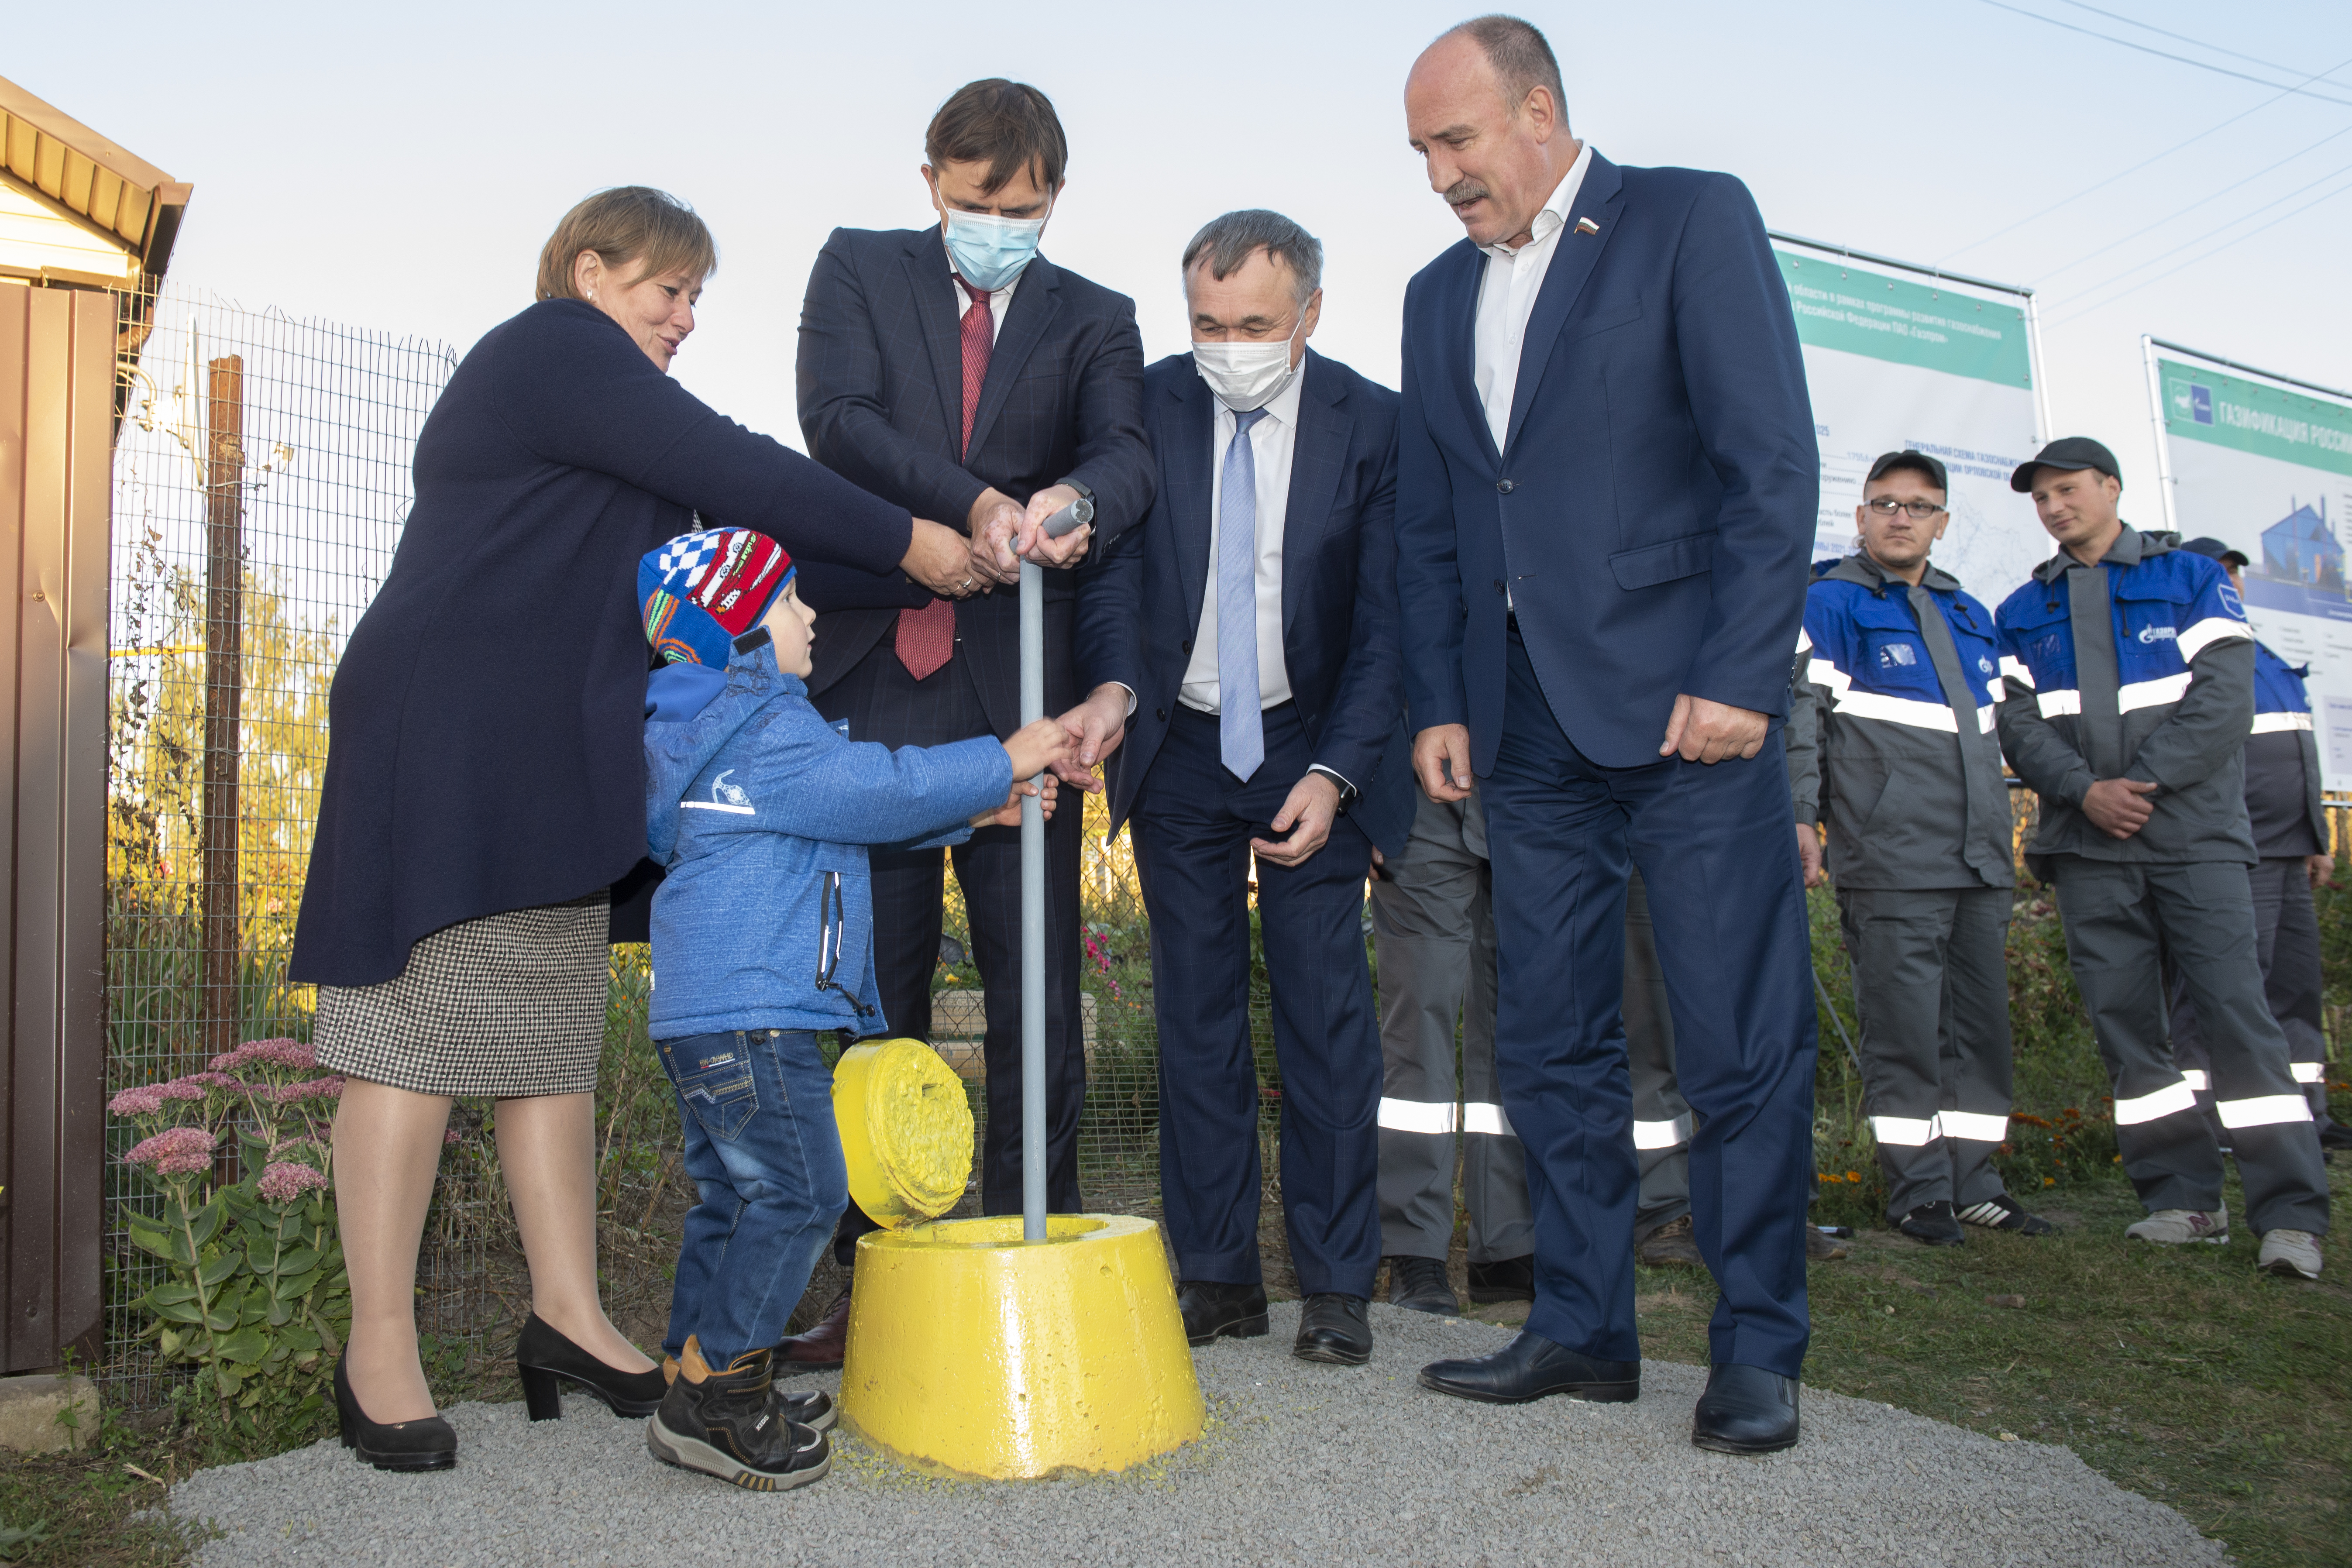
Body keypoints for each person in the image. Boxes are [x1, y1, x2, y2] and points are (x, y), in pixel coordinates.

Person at [288, 187, 966, 1471]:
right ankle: (377, 1350)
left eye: (698, 297)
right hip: (449, 731)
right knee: (411, 1036)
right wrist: (918, 538)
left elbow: (760, 549)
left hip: (549, 756)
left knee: (547, 1042)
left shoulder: (617, 453)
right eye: (671, 289)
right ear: (591, 271)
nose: (686, 317)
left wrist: (942, 563)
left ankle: (568, 1318)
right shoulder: (553, 351)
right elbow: (735, 462)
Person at [1395, 17, 1821, 1455]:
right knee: (1550, 1042)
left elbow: (1767, 459)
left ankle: (1755, 1346)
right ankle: (1579, 1326)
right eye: (1422, 154)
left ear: (1535, 111)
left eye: (1455, 142)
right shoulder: (1429, 294)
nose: (1440, 176)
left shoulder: (1686, 218)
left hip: (1686, 715)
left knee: (1730, 1039)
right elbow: (1443, 520)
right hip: (1521, 731)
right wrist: (1444, 702)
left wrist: (1739, 670)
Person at [784, 79, 1154, 1365]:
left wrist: (1069, 504)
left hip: (1021, 704)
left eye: (1019, 204)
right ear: (930, 181)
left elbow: (1128, 458)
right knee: (866, 1003)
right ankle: (869, 1284)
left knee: (1033, 996)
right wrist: (972, 505)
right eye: (969, 199)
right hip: (876, 693)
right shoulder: (854, 271)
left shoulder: (1096, 318)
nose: (992, 221)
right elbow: (835, 422)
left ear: (1054, 193)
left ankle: (1021, 1257)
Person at [635, 526, 1066, 1489]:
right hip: (758, 1016)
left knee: (736, 1194)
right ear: (740, 630)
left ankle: (690, 1366)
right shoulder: (765, 728)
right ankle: (723, 1392)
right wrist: (1002, 759)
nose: (813, 613)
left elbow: (844, 811)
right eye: (791, 602)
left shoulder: (717, 736)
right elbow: (875, 786)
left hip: (706, 1016)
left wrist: (974, 813)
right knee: (803, 1192)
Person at [1059, 210, 1409, 1365]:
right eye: (1207, 324)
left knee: (1325, 1021)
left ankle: (1335, 1284)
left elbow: (1385, 627)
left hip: (1310, 749)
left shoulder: (1374, 426)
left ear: (1309, 313)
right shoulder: (1150, 408)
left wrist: (1337, 773)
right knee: (1195, 1023)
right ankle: (1214, 1276)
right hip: (1182, 754)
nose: (1228, 346)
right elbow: (1110, 581)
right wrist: (1113, 687)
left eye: (1254, 325)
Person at [1993, 437, 2329, 1282]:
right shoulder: (2018, 609)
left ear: (2109, 487)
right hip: (2085, 847)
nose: (2054, 506)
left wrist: (2135, 784)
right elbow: (2017, 725)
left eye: (2067, 490)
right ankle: (2179, 1199)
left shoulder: (2188, 579)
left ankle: (2288, 1216)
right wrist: (2083, 790)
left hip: (2191, 841)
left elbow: (2224, 699)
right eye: (2040, 498)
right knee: (2130, 1034)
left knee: (2236, 1020)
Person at [1793, 450, 2052, 1247]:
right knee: (1904, 1030)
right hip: (1890, 857)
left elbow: (2018, 728)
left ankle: (1975, 1181)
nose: (1899, 517)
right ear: (1861, 516)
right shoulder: (1829, 603)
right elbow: (1799, 721)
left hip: (1977, 855)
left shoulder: (1971, 613)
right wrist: (1799, 818)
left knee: (1978, 1030)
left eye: (1917, 506)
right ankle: (1917, 1192)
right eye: (1884, 503)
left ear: (1941, 523)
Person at [2166, 538, 2347, 1154]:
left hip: (2290, 846)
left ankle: (2307, 1113)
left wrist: (2318, 838)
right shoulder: (2184, 650)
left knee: (2295, 985)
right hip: (2234, 844)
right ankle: (2208, 1118)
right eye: (2219, 573)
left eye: (2236, 573)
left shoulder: (2259, 651)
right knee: (2226, 985)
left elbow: (2298, 751)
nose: (2232, 582)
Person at [1368, 777, 1532, 1315]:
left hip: (1531, 780)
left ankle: (1509, 1242)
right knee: (1417, 1025)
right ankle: (1413, 1245)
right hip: (1417, 792)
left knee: (1525, 1023)